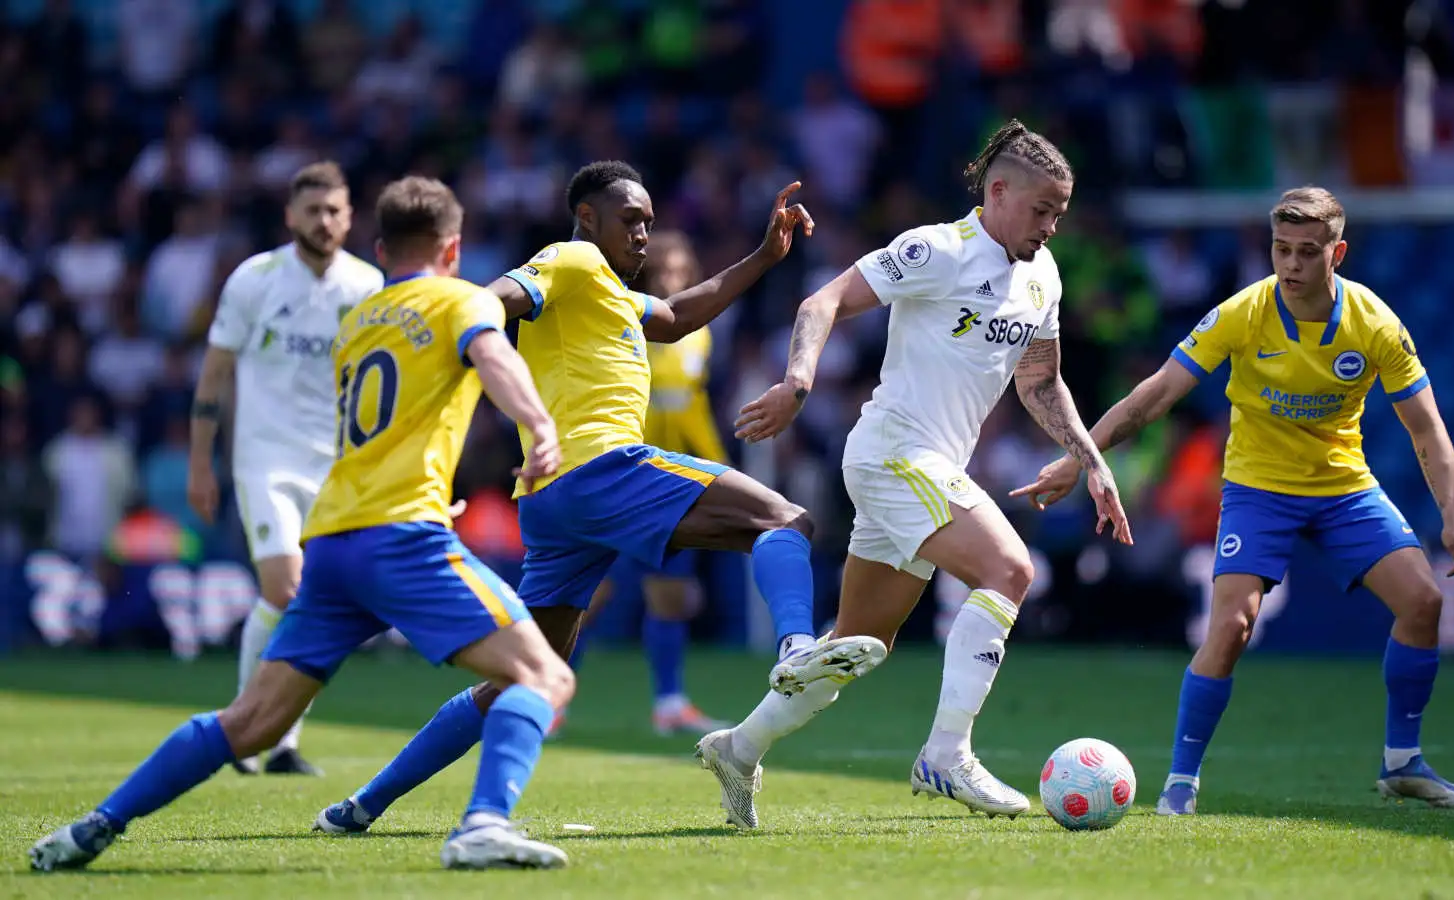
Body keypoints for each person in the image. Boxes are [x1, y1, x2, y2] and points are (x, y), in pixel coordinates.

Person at [311, 161, 883, 836]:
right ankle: (794, 649)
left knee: (522, 678)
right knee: (785, 519)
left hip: (555, 500)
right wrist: (446, 327)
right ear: (588, 218)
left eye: (648, 221)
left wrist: (764, 254)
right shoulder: (572, 260)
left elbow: (674, 315)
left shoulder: (606, 291)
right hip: (600, 468)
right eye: (630, 220)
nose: (644, 233)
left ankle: (361, 806)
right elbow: (492, 300)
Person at [31, 176, 577, 872]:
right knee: (542, 676)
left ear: (380, 249)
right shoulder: (463, 299)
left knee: (252, 723)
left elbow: (372, 431)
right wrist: (538, 424)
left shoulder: (358, 323)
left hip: (331, 540)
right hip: (400, 537)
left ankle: (94, 826)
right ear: (454, 247)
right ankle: (483, 824)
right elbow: (494, 356)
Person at [699, 120, 1132, 830]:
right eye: (1041, 209)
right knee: (1010, 571)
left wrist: (1093, 464)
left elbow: (1042, 382)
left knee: (855, 649)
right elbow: (823, 299)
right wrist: (797, 384)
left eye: (1060, 211)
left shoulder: (1043, 275)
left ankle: (739, 748)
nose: (1053, 226)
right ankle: (946, 754)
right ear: (997, 192)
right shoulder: (937, 249)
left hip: (925, 469)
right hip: (896, 453)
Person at [1012, 186, 1454, 815]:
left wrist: (1452, 514)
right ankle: (1180, 785)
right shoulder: (1242, 313)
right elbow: (1155, 395)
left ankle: (1403, 764)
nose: (1290, 265)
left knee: (1423, 601)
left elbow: (1426, 429)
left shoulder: (1373, 324)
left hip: (1343, 487)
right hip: (1259, 488)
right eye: (1280, 249)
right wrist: (1081, 458)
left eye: (1306, 252)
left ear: (1336, 253)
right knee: (1232, 626)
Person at [188, 161, 383, 776]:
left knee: (312, 600)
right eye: (312, 211)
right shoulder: (255, 279)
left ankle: (279, 740)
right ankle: (250, 729)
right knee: (285, 588)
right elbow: (214, 374)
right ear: (289, 216)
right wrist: (200, 463)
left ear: (350, 218)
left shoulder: (368, 285)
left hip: (339, 467)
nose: (323, 222)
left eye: (334, 211)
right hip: (265, 460)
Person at [562, 230, 733, 738]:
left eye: (681, 269)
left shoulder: (699, 333)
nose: (672, 277)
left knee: (669, 596)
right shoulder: (627, 317)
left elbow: (693, 406)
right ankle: (550, 697)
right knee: (589, 598)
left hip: (673, 477)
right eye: (663, 269)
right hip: (622, 473)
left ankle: (670, 703)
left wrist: (716, 463)